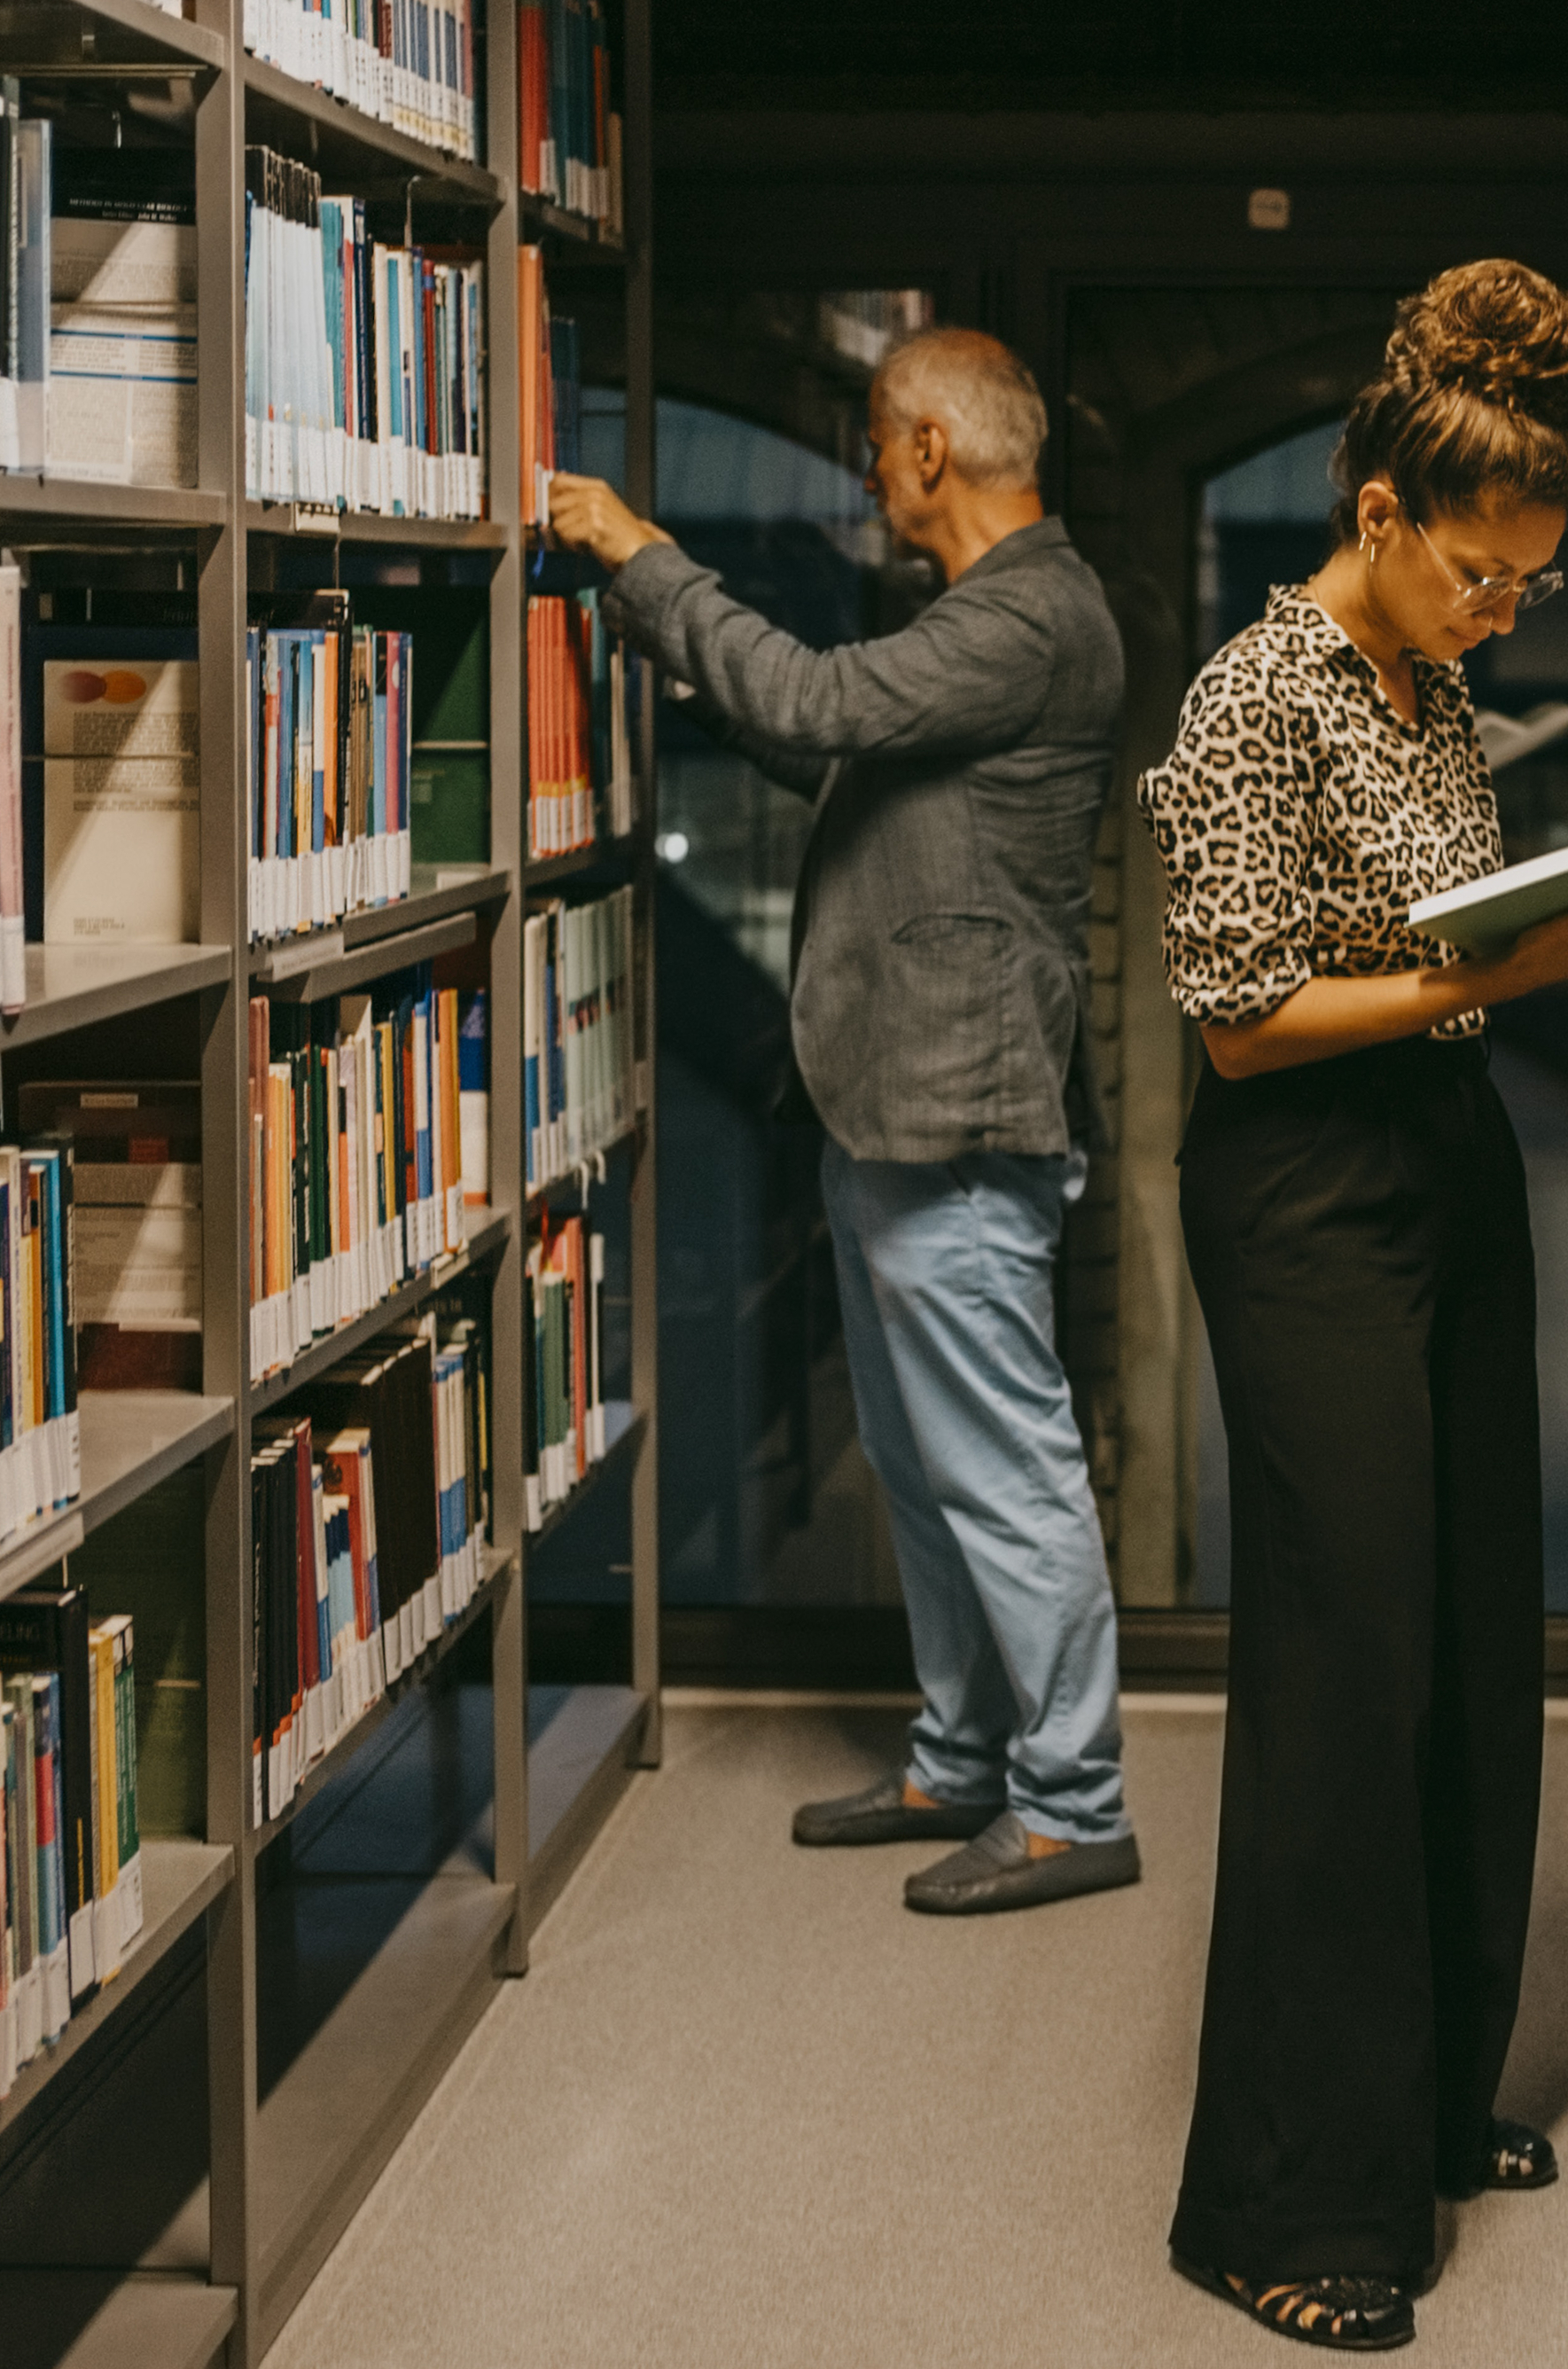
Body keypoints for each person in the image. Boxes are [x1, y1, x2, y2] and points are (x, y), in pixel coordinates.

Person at [1135, 261, 1568, 2349]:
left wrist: (1554, 927)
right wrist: (1503, 976)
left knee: (1468, 1630)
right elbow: (1242, 1013)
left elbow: (1431, 924)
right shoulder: (1248, 696)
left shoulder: (1425, 687)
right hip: (1303, 1190)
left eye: (1527, 584)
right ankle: (1289, 2202)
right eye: (1477, 571)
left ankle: (1430, 2104)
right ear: (1374, 512)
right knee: (1342, 1661)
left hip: (1448, 1164)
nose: (1497, 610)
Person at [546, 327, 1137, 1918]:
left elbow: (814, 705)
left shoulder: (1031, 615)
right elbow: (825, 737)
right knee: (922, 1462)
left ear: (932, 449)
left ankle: (1074, 1801)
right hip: (897, 1103)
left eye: (880, 443)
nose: (870, 473)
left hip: (958, 1113)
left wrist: (650, 566)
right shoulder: (981, 619)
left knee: (1003, 1469)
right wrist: (682, 652)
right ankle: (961, 1753)